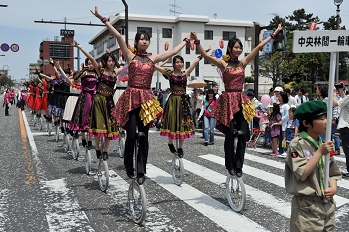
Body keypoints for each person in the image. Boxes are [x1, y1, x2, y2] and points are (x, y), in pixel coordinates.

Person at [91, 6, 194, 184]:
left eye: (147, 39)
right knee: (131, 135)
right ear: (136, 42)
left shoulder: (153, 59)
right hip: (131, 98)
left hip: (146, 100)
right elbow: (117, 36)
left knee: (144, 136)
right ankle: (128, 164)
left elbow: (173, 52)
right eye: (141, 39)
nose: (144, 42)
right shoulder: (130, 56)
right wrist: (103, 19)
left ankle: (141, 169)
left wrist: (187, 40)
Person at [192, 24, 283, 177]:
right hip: (227, 101)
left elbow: (258, 47)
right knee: (230, 134)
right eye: (236, 47)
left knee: (242, 134)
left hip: (240, 100)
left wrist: (273, 34)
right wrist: (197, 41)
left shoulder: (243, 63)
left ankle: (239, 165)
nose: (239, 50)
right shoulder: (223, 64)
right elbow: (206, 57)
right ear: (229, 49)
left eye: (240, 47)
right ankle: (230, 165)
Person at [285, 100, 341, 232]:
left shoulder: (323, 143)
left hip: (327, 205)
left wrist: (333, 187)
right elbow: (302, 174)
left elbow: (333, 172)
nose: (327, 121)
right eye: (322, 118)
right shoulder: (297, 144)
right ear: (306, 123)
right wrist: (320, 152)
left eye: (327, 117)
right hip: (307, 208)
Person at [156, 53, 206, 157]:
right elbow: (156, 67)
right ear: (174, 64)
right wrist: (151, 61)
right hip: (173, 101)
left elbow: (194, 63)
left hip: (183, 101)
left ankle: (180, 148)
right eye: (177, 62)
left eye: (181, 62)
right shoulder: (170, 74)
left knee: (183, 124)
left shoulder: (185, 73)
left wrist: (202, 54)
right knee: (172, 122)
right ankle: (170, 143)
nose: (179, 64)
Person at [68, 55, 99, 151]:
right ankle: (83, 137)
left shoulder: (97, 73)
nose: (90, 66)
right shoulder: (84, 72)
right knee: (83, 116)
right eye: (88, 64)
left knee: (93, 118)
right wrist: (82, 69)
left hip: (94, 96)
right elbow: (75, 76)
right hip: (85, 96)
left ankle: (90, 140)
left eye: (92, 64)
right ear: (86, 64)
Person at [336, 83, 349, 177]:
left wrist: (333, 93)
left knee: (347, 149)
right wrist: (341, 90)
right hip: (346, 125)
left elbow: (336, 103)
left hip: (346, 126)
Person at [278, 92, 290, 157]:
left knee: (283, 138)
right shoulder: (279, 105)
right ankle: (280, 149)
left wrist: (281, 120)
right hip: (279, 124)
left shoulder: (286, 106)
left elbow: (287, 115)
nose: (278, 98)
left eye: (280, 97)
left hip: (284, 124)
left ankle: (284, 150)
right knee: (280, 138)